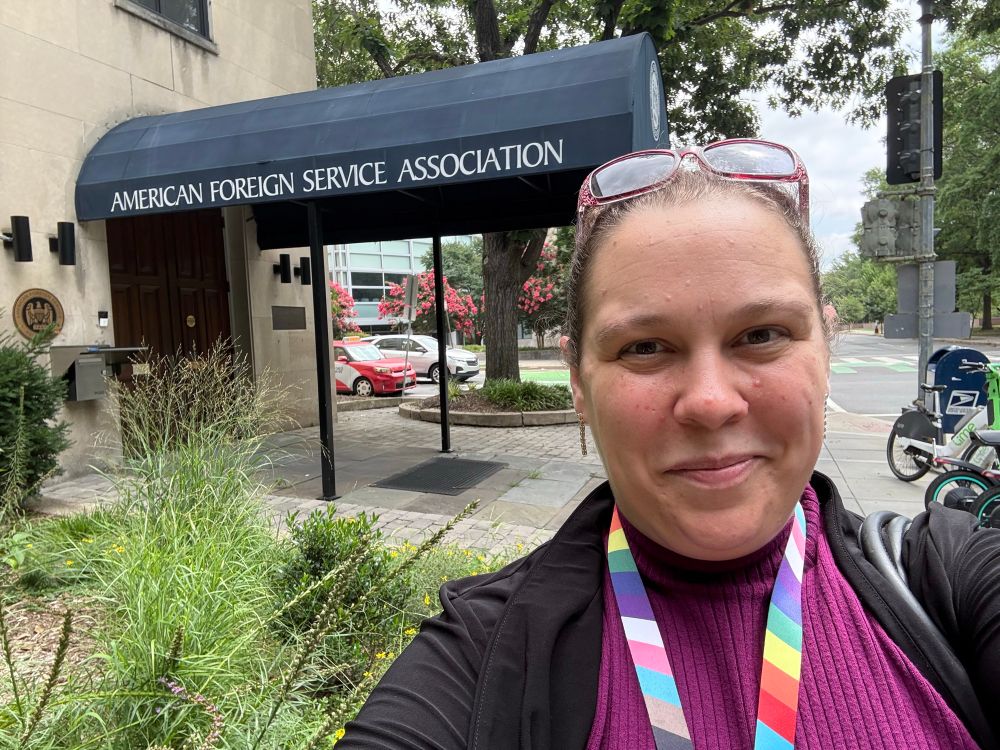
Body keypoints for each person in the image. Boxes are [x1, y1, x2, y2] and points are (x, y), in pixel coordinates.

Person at [339, 141, 1000, 749]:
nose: (710, 402)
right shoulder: (481, 657)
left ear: (824, 352)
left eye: (762, 335)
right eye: (645, 347)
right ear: (579, 383)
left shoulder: (950, 580)